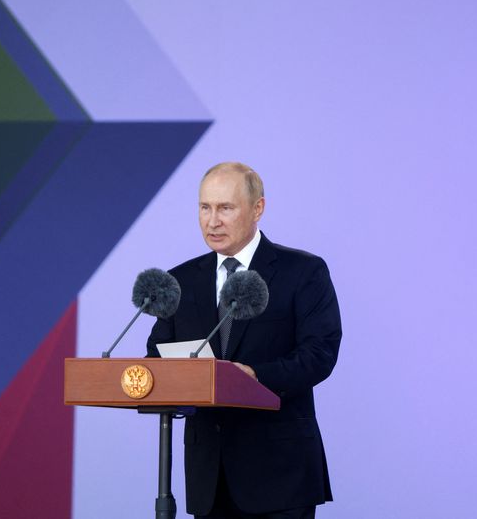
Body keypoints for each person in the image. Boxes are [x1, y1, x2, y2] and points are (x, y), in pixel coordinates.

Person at [146, 162, 342, 519]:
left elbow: (319, 353)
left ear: (258, 209)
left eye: (225, 208)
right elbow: (156, 357)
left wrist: (253, 375)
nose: (212, 220)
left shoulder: (302, 272)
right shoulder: (180, 280)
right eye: (205, 207)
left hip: (281, 473)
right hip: (209, 475)